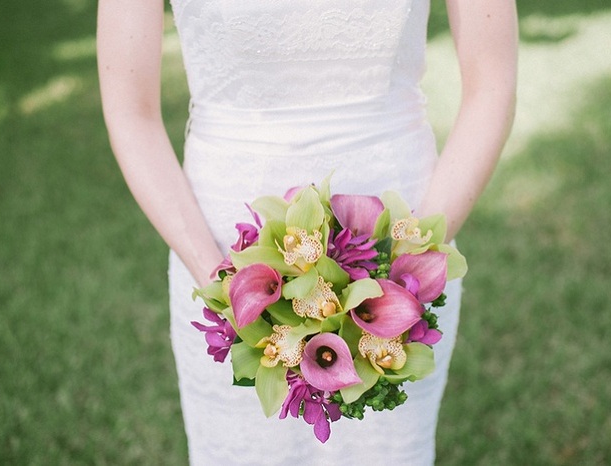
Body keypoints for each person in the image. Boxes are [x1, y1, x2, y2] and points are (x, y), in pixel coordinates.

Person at [97, 0, 517, 464]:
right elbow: (130, 109)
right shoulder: (219, 275)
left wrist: (412, 264)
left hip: (401, 248)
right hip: (219, 250)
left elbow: (491, 85)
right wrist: (221, 284)